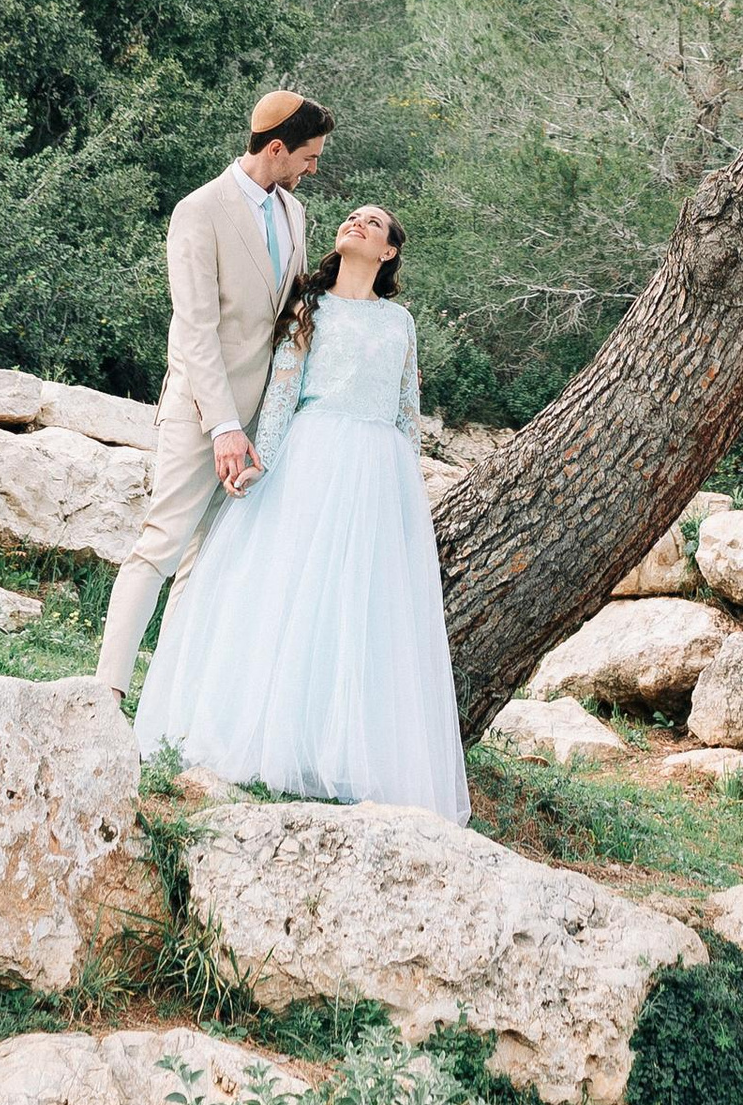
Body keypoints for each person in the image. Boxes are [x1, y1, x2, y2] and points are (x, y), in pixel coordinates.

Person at [132, 203, 470, 818]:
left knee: (357, 608)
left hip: (378, 470)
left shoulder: (400, 322)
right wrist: (265, 466)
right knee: (289, 595)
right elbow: (284, 395)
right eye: (352, 216)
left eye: (375, 222)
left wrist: (408, 491)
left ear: (389, 251)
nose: (358, 223)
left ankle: (338, 751)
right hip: (313, 455)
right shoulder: (307, 308)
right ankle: (268, 739)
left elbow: (404, 411)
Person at [95, 90, 332, 697]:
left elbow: (289, 312)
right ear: (276, 149)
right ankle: (105, 693)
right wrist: (224, 426)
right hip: (202, 411)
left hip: (262, 421)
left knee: (208, 562)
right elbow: (195, 327)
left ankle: (166, 703)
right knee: (161, 544)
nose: (313, 169)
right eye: (308, 158)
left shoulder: (295, 213)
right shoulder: (198, 211)